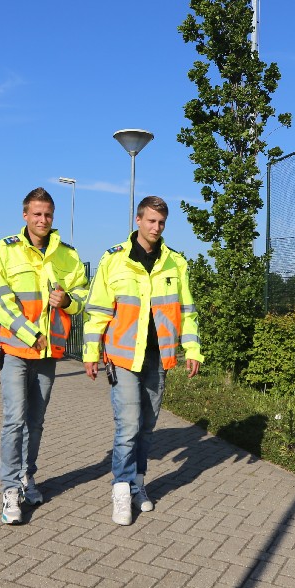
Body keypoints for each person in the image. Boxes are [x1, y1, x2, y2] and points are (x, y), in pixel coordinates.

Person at [84, 195, 202, 526]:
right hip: (123, 357)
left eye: (162, 222)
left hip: (159, 356)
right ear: (138, 220)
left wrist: (192, 349)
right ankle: (121, 490)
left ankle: (137, 484)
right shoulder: (114, 259)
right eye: (151, 220)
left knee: (147, 427)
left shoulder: (175, 263)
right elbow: (98, 311)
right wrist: (91, 352)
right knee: (128, 425)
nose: (156, 227)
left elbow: (187, 312)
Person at [0, 187, 88, 525]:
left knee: (36, 421)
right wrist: (31, 334)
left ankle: (27, 476)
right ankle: (9, 489)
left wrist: (69, 301)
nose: (42, 220)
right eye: (36, 214)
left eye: (47, 214)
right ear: (25, 215)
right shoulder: (4, 250)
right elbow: (0, 301)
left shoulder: (68, 255)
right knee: (14, 420)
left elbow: (84, 294)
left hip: (49, 353)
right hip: (16, 349)